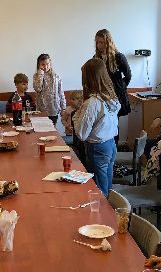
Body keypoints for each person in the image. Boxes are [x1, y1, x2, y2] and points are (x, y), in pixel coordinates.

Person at [73, 59, 120, 196]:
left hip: (97, 148)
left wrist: (76, 116)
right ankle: (109, 207)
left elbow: (82, 134)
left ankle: (102, 210)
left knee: (99, 189)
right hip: (110, 144)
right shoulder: (111, 97)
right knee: (107, 185)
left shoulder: (92, 102)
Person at [94, 29, 131, 119]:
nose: (98, 45)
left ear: (108, 42)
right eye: (97, 42)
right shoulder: (96, 58)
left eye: (101, 42)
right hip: (102, 95)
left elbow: (128, 75)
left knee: (114, 122)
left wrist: (120, 87)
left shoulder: (119, 57)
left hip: (116, 95)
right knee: (104, 121)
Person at [32, 54, 66, 125]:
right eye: (43, 64)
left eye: (47, 64)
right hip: (42, 108)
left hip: (54, 108)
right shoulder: (36, 76)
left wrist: (63, 108)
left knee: (53, 128)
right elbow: (37, 89)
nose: (45, 66)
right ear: (38, 65)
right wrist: (40, 75)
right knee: (42, 128)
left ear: (50, 63)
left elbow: (61, 93)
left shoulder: (56, 76)